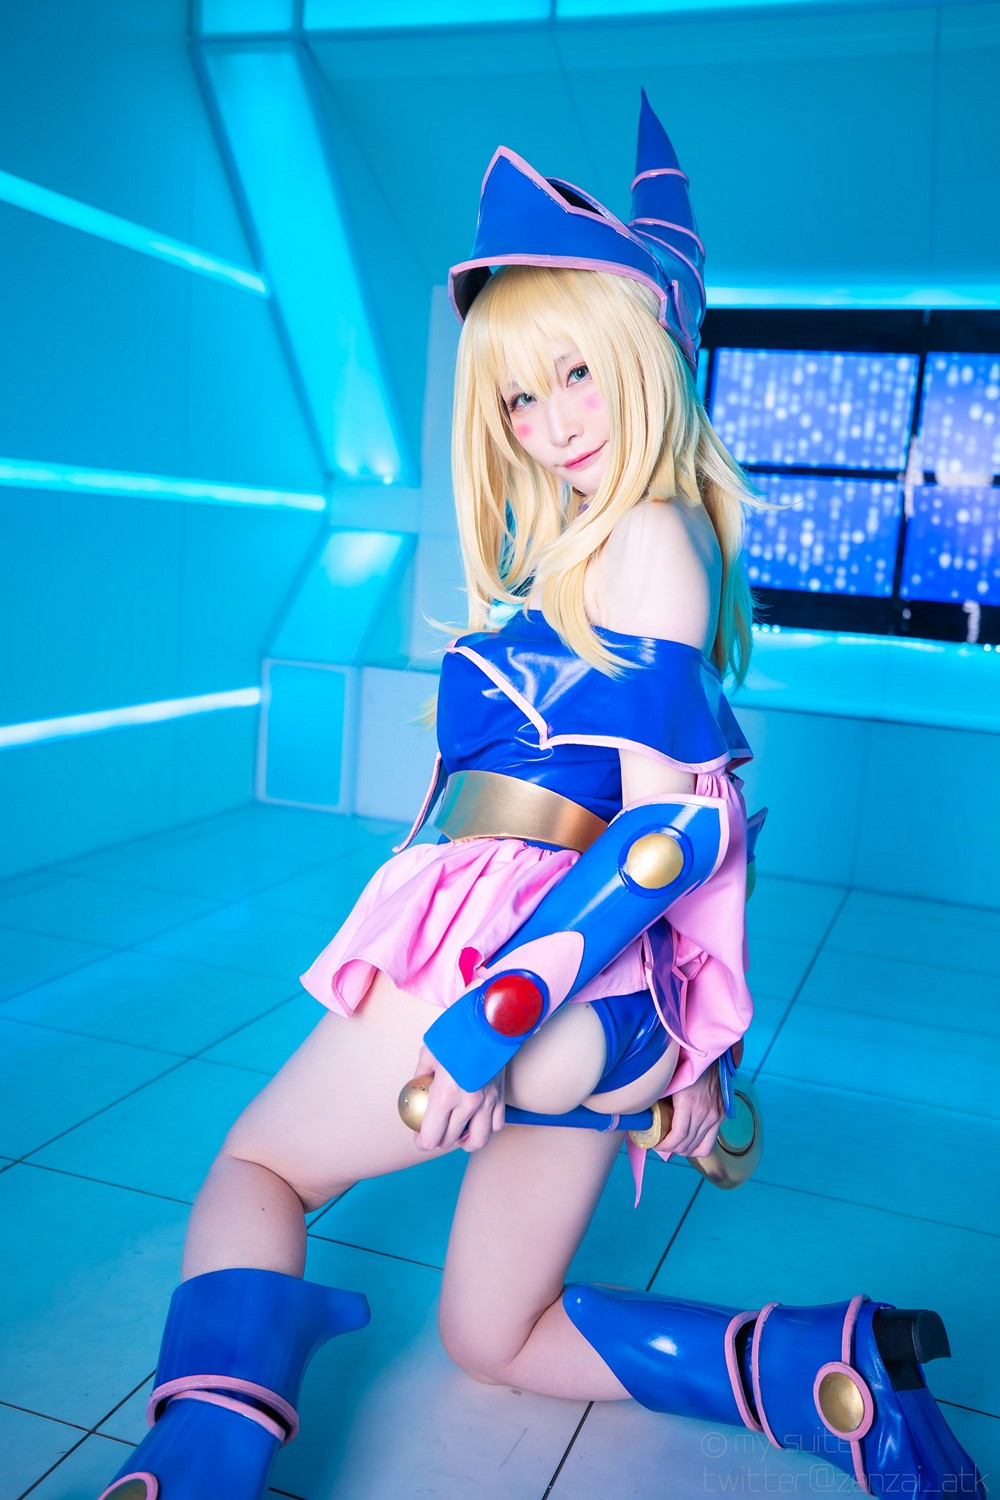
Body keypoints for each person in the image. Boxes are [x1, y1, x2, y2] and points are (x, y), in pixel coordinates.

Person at [96, 95, 984, 1500]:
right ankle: (834, 1376)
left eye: (575, 374)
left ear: (648, 360)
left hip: (520, 973)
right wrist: (690, 1046)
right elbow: (683, 810)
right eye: (518, 394)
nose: (548, 422)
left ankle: (192, 1479)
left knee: (259, 1174)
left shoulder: (645, 539)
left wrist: (477, 1028)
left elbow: (677, 828)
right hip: (593, 1002)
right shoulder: (627, 543)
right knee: (493, 1335)